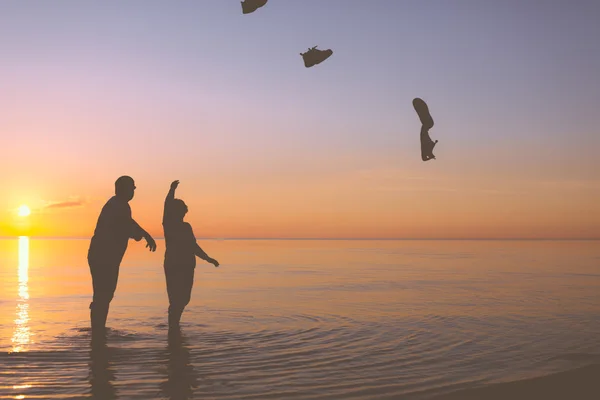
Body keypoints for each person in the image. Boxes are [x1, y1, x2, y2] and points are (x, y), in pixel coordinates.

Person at [88, 176, 157, 332]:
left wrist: (143, 234)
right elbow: (126, 225)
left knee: (103, 295)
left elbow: (129, 223)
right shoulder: (118, 205)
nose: (134, 190)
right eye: (132, 187)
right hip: (104, 257)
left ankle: (98, 331)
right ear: (123, 189)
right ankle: (97, 332)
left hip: (102, 256)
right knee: (103, 295)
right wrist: (141, 235)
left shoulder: (118, 205)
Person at [162, 180, 219, 328]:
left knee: (184, 299)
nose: (183, 213)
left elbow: (193, 246)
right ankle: (173, 327)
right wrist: (171, 190)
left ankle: (175, 325)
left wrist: (208, 258)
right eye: (181, 210)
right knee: (175, 299)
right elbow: (167, 206)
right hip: (174, 265)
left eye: (184, 211)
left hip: (187, 266)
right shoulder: (169, 224)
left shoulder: (187, 227)